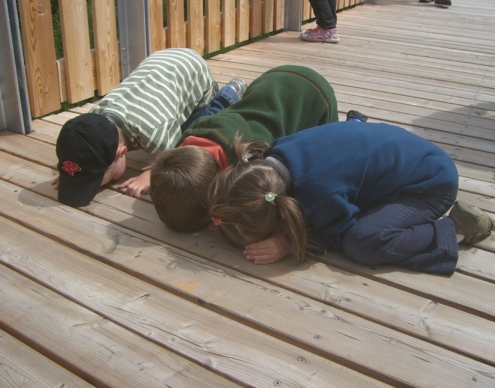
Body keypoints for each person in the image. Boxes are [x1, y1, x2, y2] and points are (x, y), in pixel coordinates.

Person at [208, 122, 495, 276]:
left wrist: (289, 241)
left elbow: (338, 231)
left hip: (430, 185)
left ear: (282, 213)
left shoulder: (320, 195)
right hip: (412, 158)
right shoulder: (275, 155)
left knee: (362, 242)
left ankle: (454, 229)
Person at [149, 65, 340, 233]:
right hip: (270, 79)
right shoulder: (192, 136)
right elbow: (177, 167)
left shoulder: (254, 161)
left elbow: (271, 201)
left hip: (317, 101)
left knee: (324, 155)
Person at [53, 48, 246, 207]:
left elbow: (182, 157)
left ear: (122, 152)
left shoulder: (155, 131)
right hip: (160, 62)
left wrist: (152, 172)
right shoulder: (94, 117)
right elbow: (81, 145)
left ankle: (228, 94)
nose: (92, 184)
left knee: (197, 128)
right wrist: (73, 175)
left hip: (193, 72)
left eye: (96, 179)